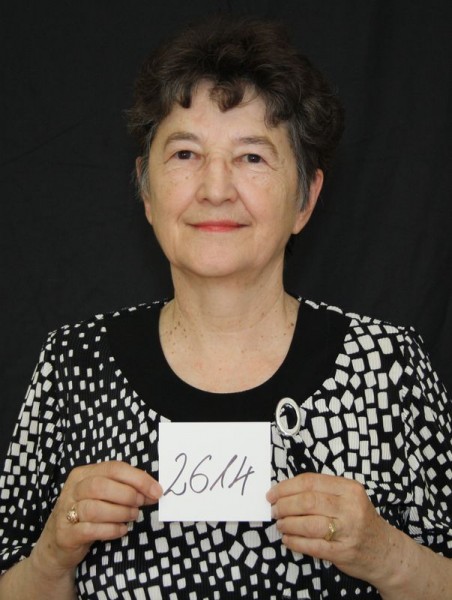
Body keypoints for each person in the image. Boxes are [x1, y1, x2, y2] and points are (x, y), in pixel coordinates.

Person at [0, 14, 451, 600]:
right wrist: (52, 556)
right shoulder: (73, 365)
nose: (215, 189)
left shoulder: (388, 366)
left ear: (306, 198)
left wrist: (385, 554)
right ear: (146, 190)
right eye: (185, 153)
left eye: (252, 157)